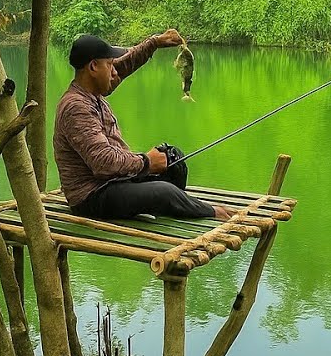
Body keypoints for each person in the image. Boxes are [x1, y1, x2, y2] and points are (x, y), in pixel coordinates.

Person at [53, 30, 232, 221]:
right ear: (93, 67)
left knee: (174, 160)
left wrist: (154, 43)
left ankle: (159, 203)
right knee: (163, 192)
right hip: (91, 196)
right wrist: (146, 162)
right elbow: (103, 162)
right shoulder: (76, 106)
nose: (114, 71)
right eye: (109, 64)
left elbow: (123, 67)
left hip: (114, 182)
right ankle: (213, 213)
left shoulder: (93, 91)